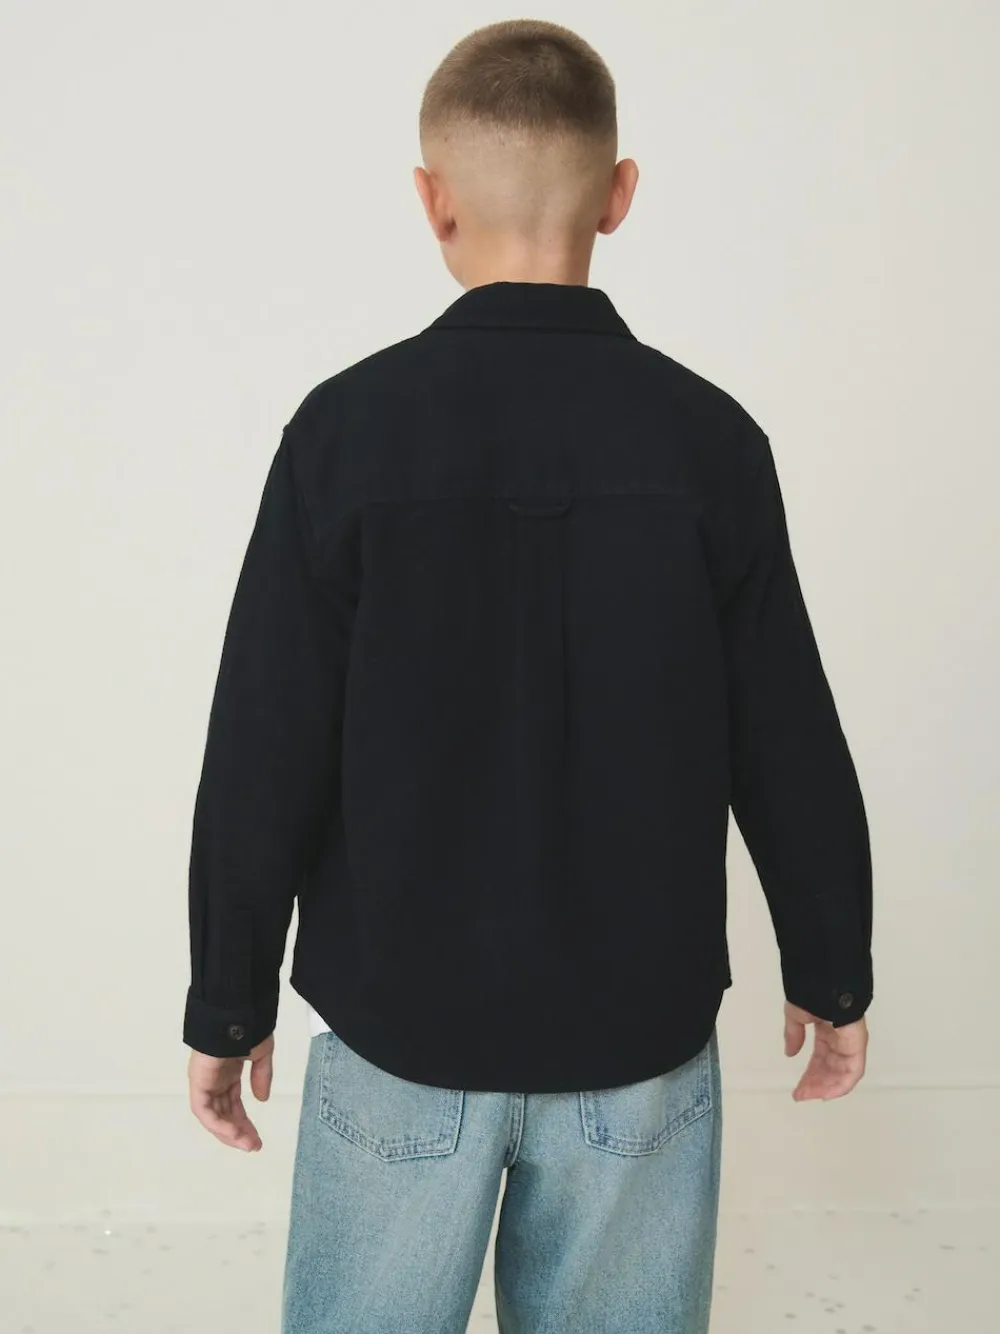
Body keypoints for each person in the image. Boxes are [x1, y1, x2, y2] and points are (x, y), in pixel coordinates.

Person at [183, 18, 873, 1334]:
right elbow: (787, 731)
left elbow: (266, 735)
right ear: (619, 195)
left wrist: (227, 998)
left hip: (399, 1035)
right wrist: (831, 965)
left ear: (432, 201)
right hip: (637, 1040)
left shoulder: (344, 433)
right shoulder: (711, 442)